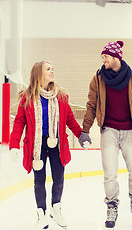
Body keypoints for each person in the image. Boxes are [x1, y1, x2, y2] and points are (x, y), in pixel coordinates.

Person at [78, 40, 132, 229]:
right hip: (108, 130)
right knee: (110, 174)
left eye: (105, 56)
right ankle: (112, 205)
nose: (103, 60)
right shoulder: (98, 78)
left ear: (116, 56)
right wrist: (85, 130)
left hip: (130, 131)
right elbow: (91, 105)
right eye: (102, 57)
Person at [9, 61, 82, 230]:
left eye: (52, 68)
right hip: (36, 144)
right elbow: (19, 122)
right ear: (38, 73)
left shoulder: (61, 96)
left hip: (57, 142)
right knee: (39, 180)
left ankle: (56, 208)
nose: (52, 71)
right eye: (48, 69)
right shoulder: (27, 97)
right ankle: (41, 214)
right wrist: (14, 144)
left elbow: (70, 119)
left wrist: (81, 135)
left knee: (59, 177)